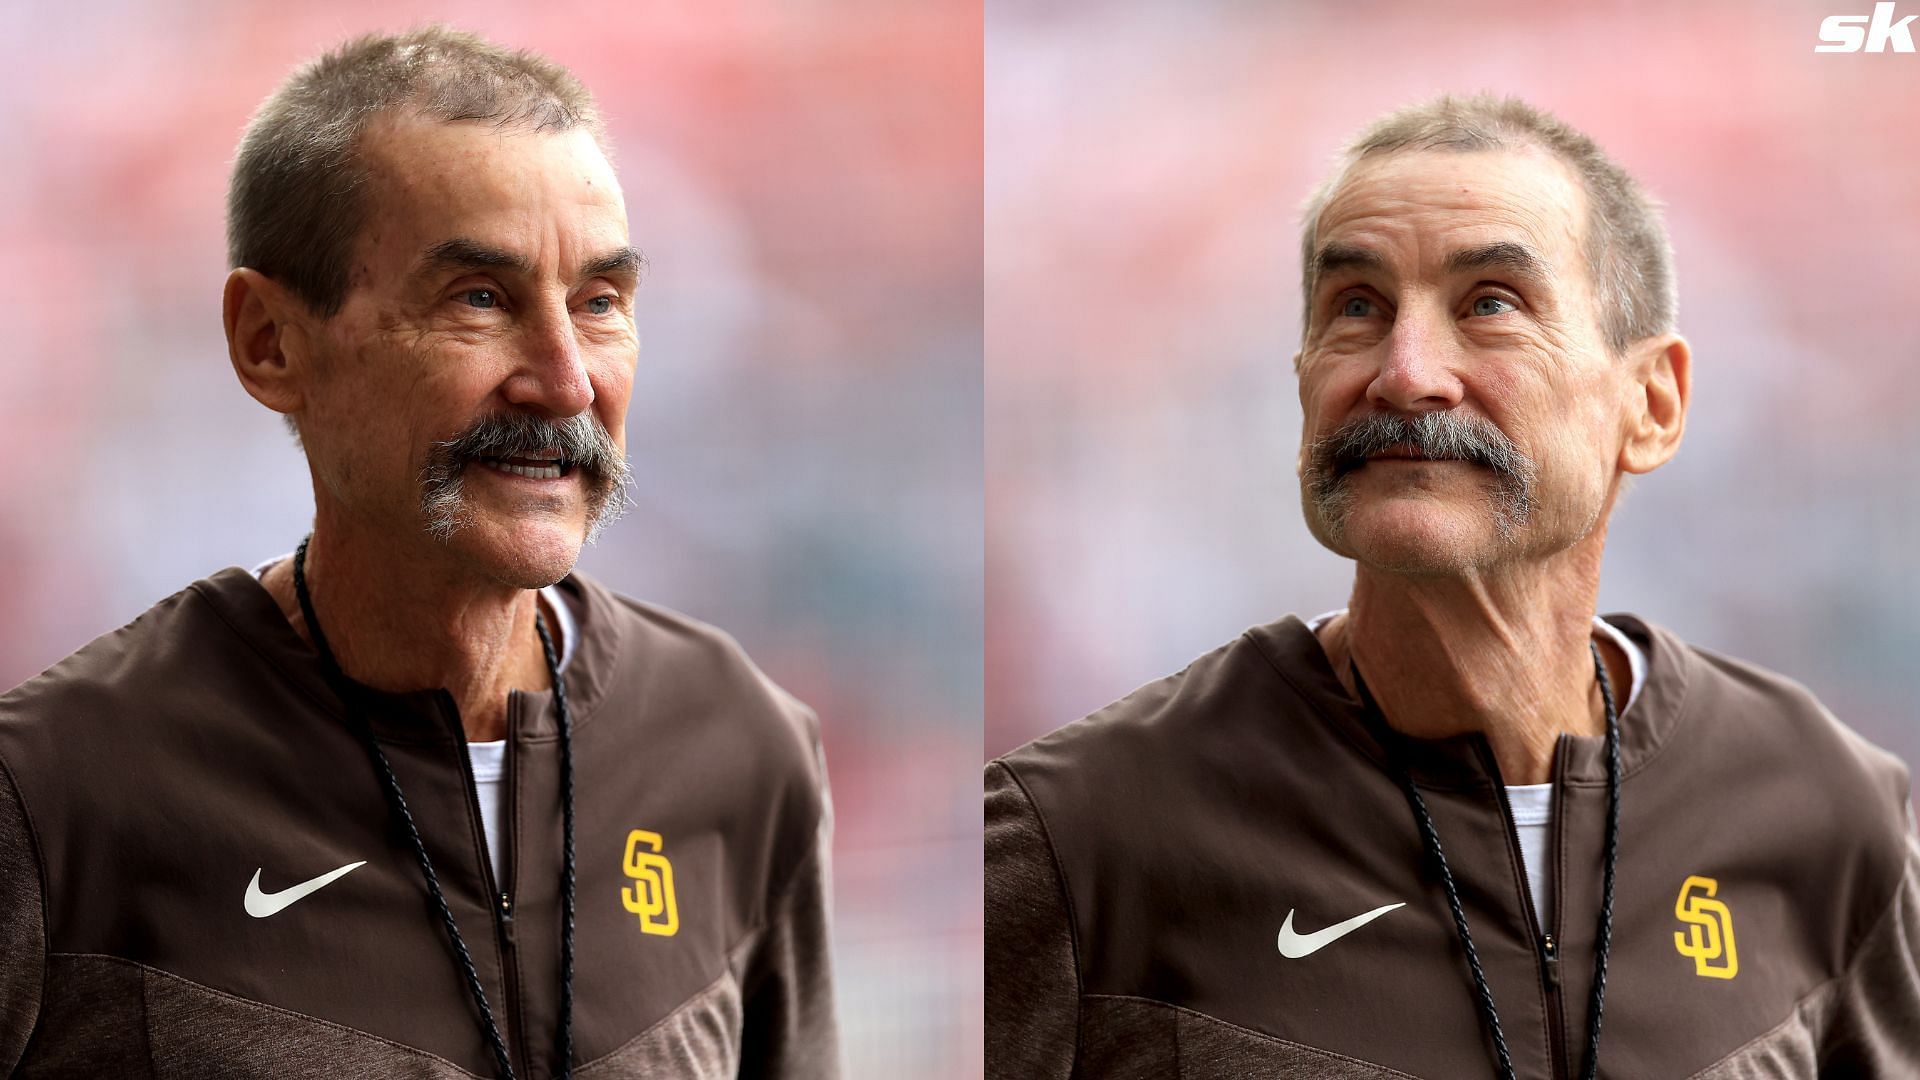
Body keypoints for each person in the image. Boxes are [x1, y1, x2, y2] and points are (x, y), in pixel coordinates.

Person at [985, 94, 1920, 1078]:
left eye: (1490, 305)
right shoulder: (1080, 837)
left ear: (1650, 403)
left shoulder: (1824, 803)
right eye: (1357, 308)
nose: (1407, 372)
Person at [0, 27, 838, 1079]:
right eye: (479, 299)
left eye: (600, 303)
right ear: (269, 341)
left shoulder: (742, 741)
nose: (567, 382)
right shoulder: (57, 790)